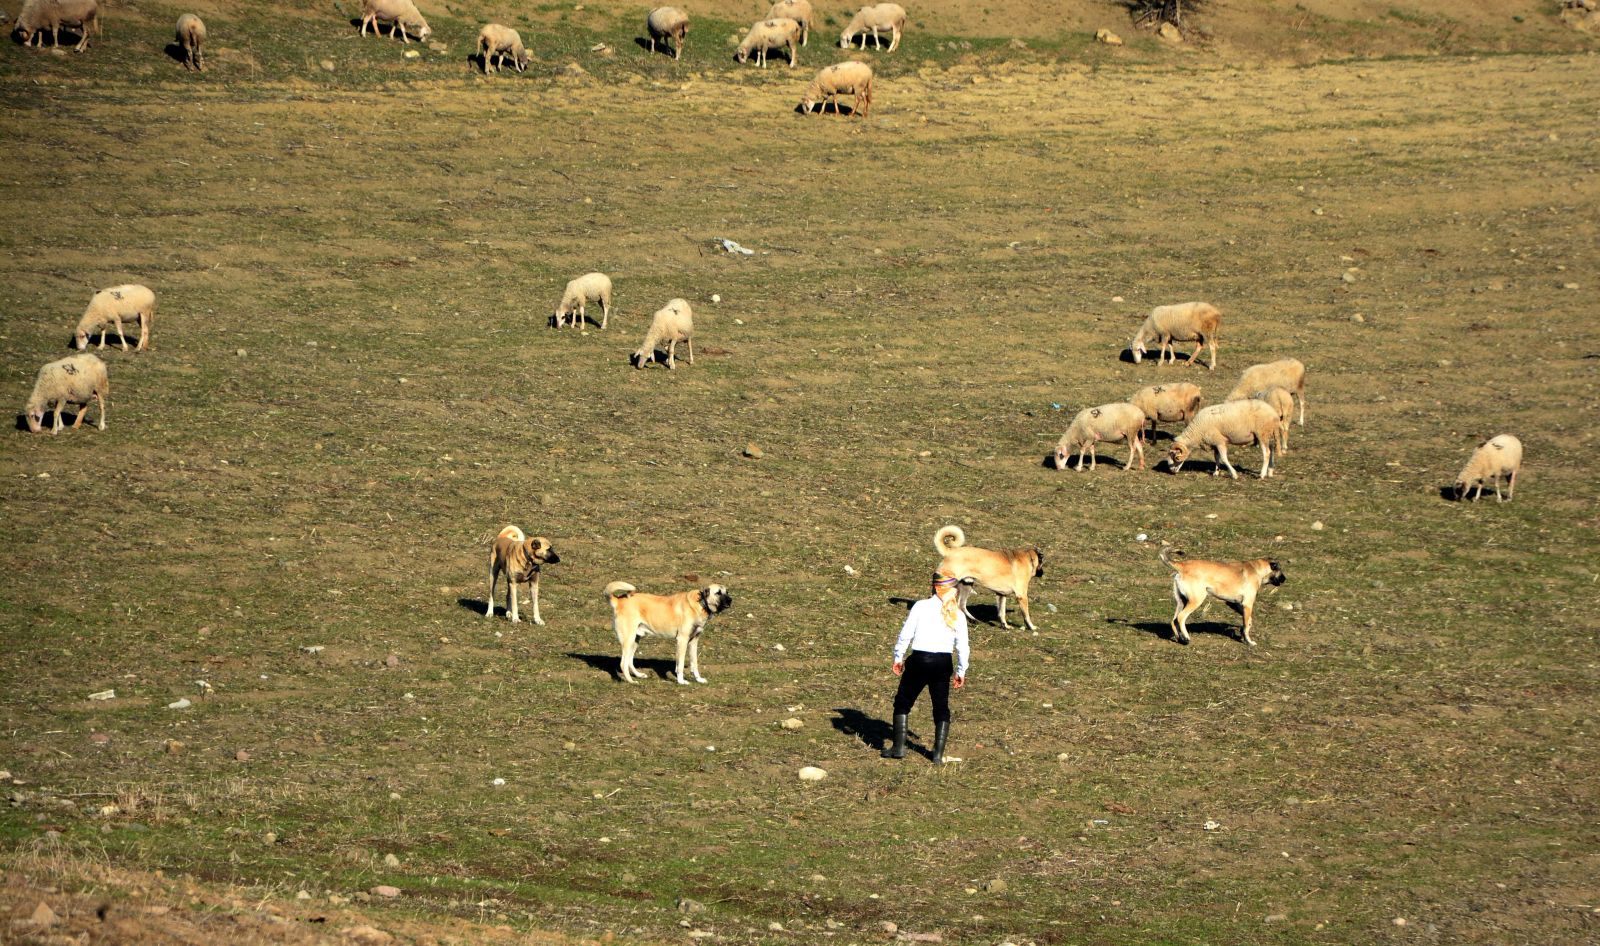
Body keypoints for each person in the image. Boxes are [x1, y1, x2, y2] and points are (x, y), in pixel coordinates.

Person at [882, 573, 969, 764]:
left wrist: (899, 657)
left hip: (920, 659)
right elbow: (963, 646)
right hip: (943, 663)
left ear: (936, 588)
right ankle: (937, 754)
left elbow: (906, 634)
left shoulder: (920, 606)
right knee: (941, 707)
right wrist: (961, 671)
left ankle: (898, 748)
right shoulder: (958, 614)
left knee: (903, 702)